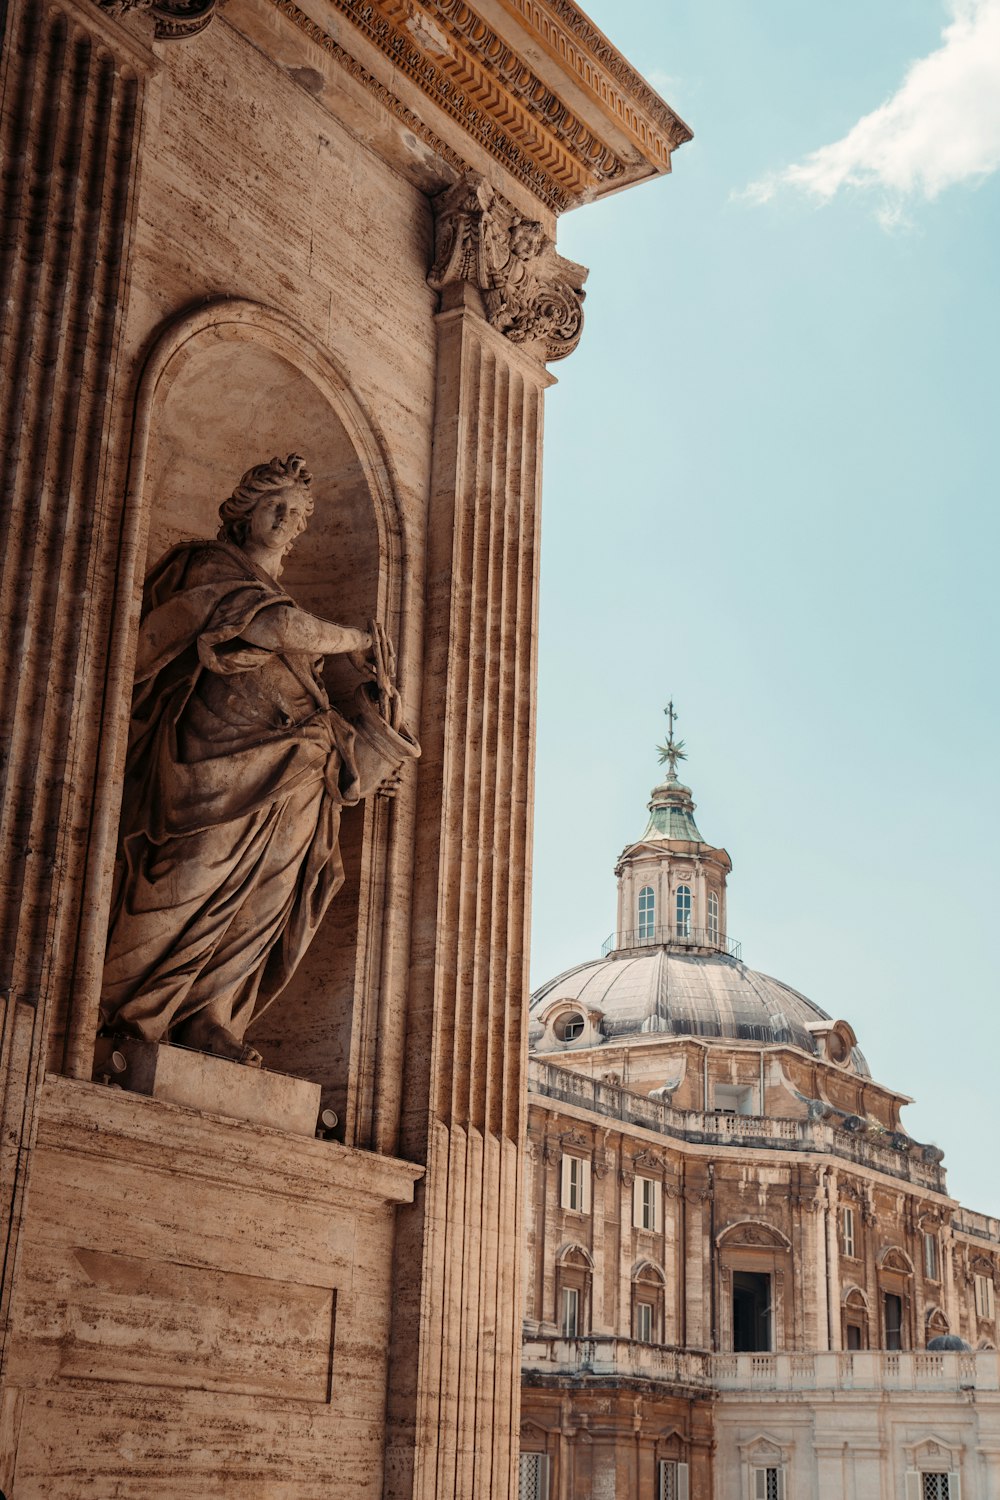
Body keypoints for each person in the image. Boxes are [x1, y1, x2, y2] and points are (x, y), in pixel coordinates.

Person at [100, 454, 409, 1066]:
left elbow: (306, 695)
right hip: (209, 767)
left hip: (296, 774)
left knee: (264, 901)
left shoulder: (282, 604)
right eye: (275, 505)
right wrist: (357, 641)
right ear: (242, 513)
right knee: (188, 878)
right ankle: (123, 1011)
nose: (286, 519)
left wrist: (362, 747)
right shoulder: (208, 567)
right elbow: (271, 626)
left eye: (295, 512)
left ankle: (211, 1017)